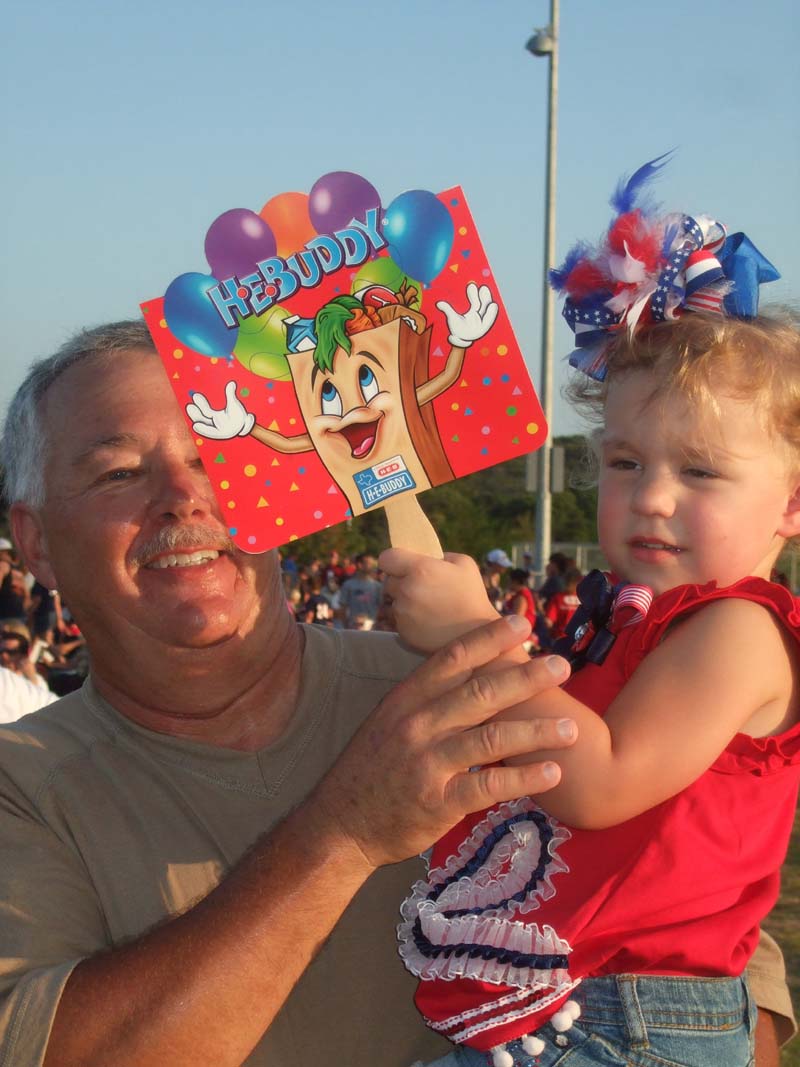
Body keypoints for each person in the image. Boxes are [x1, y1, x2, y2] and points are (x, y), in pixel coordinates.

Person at [0, 320, 576, 1067]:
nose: (182, 498)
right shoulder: (23, 784)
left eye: (215, 457)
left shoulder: (452, 691)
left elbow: (706, 963)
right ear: (36, 540)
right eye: (119, 474)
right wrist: (345, 832)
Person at [382, 167, 799, 1066]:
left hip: (633, 1020)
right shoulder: (632, 620)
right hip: (572, 1005)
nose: (650, 498)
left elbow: (601, 782)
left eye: (698, 472)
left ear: (792, 503)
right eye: (622, 463)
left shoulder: (740, 632)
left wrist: (474, 636)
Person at [337, 552, 382, 628]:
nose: (372, 567)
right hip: (354, 628)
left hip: (372, 629)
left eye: (373, 564)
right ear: (360, 565)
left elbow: (382, 609)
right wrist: (346, 628)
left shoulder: (377, 586)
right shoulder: (348, 585)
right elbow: (342, 609)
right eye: (369, 563)